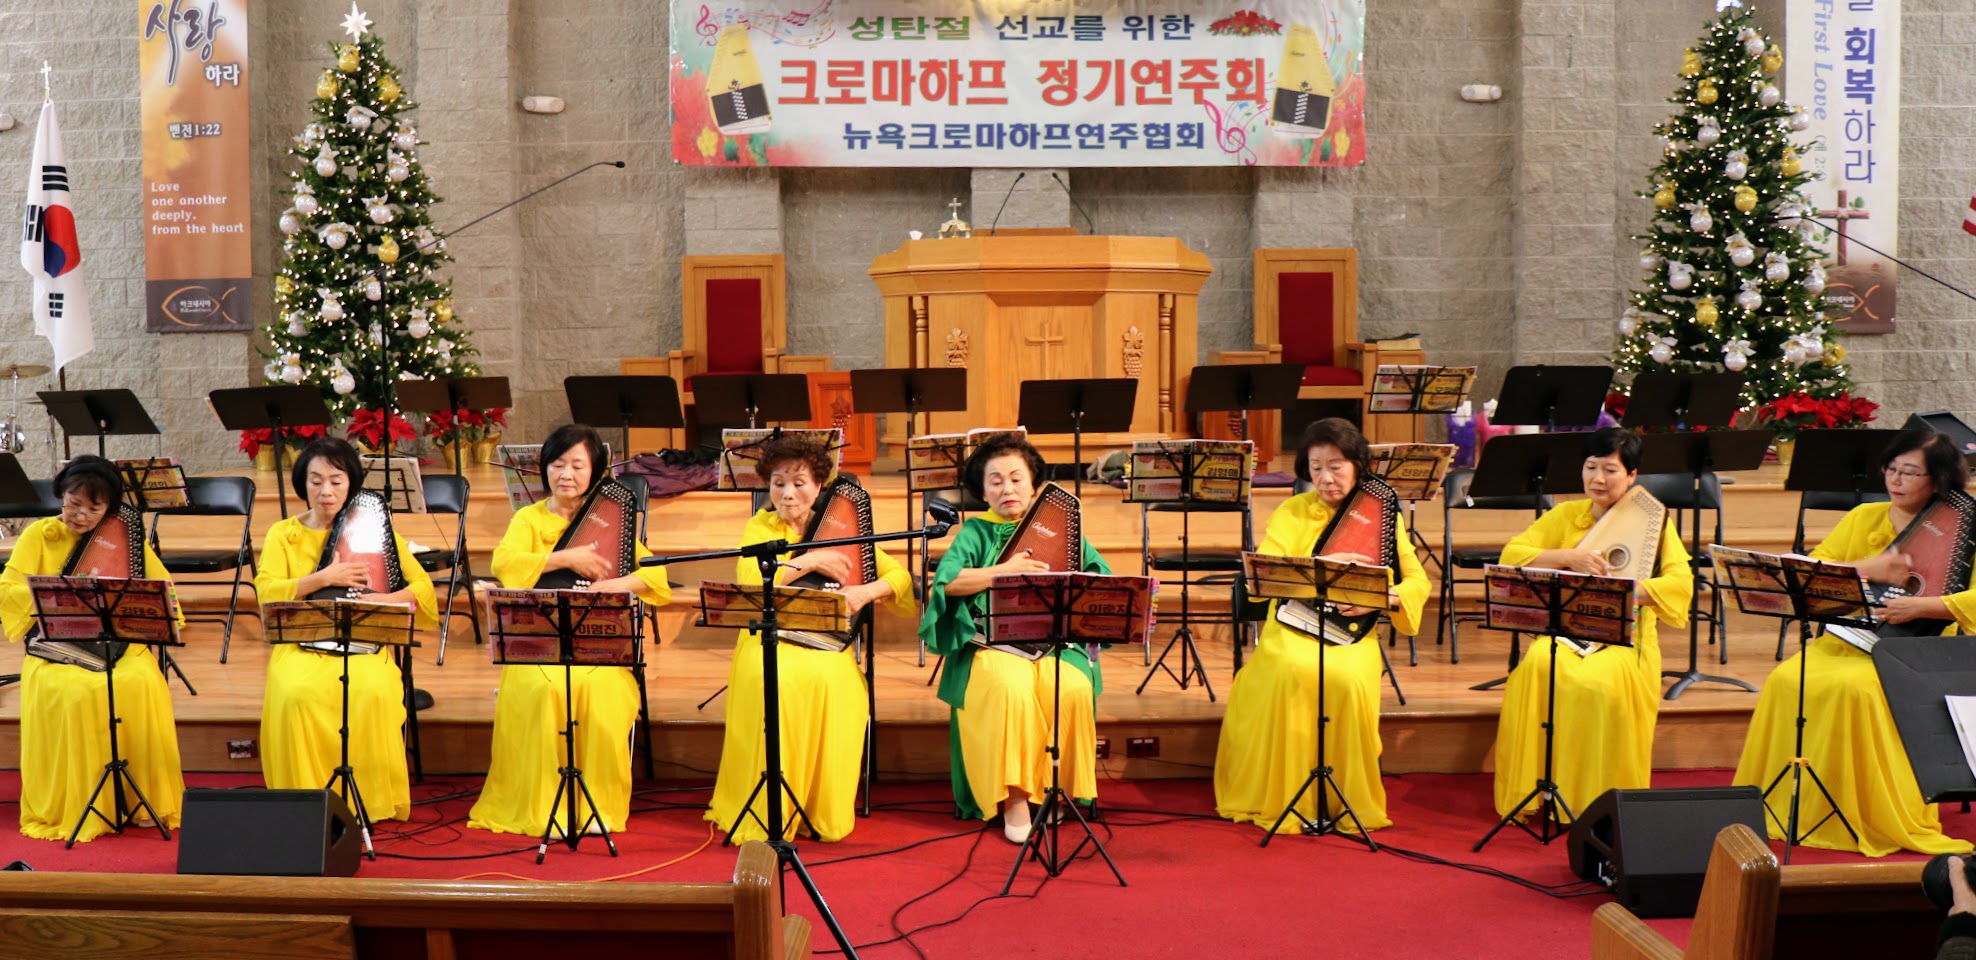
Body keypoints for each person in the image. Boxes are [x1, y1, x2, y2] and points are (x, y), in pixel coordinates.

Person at [1733, 426, 1975, 856]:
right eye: (1891, 469)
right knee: (1785, 680)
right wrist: (1869, 569)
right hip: (1847, 640)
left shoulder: (1964, 530)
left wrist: (1924, 606)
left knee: (1859, 690)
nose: (1896, 480)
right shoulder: (1864, 517)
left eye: (1910, 472)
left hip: (1916, 651)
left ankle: (1870, 811)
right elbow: (1816, 569)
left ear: (1938, 481)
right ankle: (1798, 805)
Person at [1214, 418, 1430, 834]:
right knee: (1292, 669)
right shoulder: (1292, 511)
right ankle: (1290, 796)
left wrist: (1383, 597)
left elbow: (1417, 582)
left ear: (1357, 465)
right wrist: (1322, 568)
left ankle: (1340, 800)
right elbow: (1264, 576)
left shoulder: (1381, 515)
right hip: (1293, 624)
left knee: (1346, 680)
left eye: (1336, 466)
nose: (1325, 478)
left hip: (1353, 633)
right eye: (1316, 468)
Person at [706, 437, 914, 842]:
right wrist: (811, 559)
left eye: (799, 483)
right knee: (775, 682)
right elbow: (752, 581)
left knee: (840, 685)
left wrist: (864, 593)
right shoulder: (760, 526)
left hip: (826, 641)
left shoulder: (841, 526)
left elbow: (899, 577)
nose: (788, 493)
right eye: (778, 483)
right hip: (770, 639)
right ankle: (772, 809)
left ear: (819, 486)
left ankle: (817, 806)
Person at [469, 424, 670, 837]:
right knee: (544, 689)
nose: (566, 474)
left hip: (597, 645)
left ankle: (597, 804)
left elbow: (656, 577)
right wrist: (565, 559)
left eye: (578, 466)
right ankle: (544, 804)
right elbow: (505, 565)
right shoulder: (528, 518)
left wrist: (610, 586)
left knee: (601, 692)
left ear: (595, 471)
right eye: (558, 464)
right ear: (544, 468)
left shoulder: (608, 519)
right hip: (538, 645)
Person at [1492, 427, 1691, 820]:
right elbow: (1512, 554)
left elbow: (1680, 583)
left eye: (1610, 470)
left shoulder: (1653, 522)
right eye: (1590, 467)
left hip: (1625, 639)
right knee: (1538, 666)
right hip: (1567, 631)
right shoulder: (1567, 515)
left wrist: (1625, 591)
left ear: (1632, 476)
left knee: (1596, 685)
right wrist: (1568, 557)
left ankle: (1597, 802)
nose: (1598, 478)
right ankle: (1544, 793)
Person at [920, 432, 1111, 843]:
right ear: (982, 492)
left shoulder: (1060, 529)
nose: (1007, 488)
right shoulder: (976, 533)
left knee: (1071, 688)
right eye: (995, 481)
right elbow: (946, 584)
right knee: (1010, 688)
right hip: (992, 643)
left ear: (1033, 484)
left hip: (1054, 642)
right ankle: (1015, 799)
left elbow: (1101, 580)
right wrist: (1000, 572)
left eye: (1016, 479)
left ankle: (1054, 792)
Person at [0, 455, 184, 841]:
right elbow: (7, 590)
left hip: (116, 644)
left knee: (140, 681)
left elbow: (162, 590)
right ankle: (80, 801)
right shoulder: (39, 536)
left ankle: (137, 797)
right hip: (57, 646)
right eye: (73, 503)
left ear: (109, 510)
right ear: (61, 496)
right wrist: (54, 595)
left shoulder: (121, 538)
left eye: (94, 509)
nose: (80, 515)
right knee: (75, 690)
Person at [253, 438, 438, 822]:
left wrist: (379, 601)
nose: (326, 491)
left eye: (336, 481)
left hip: (363, 641)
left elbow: (421, 588)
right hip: (301, 643)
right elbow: (267, 592)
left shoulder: (370, 530)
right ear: (302, 484)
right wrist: (324, 578)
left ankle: (366, 802)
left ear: (351, 483)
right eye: (316, 481)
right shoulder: (282, 533)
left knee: (373, 690)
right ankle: (307, 802)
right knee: (296, 693)